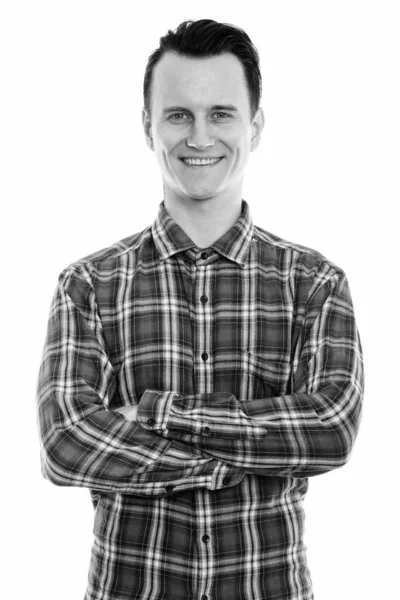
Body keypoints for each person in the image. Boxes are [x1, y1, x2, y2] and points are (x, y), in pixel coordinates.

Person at [36, 18, 364, 600]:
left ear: (255, 126)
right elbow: (66, 443)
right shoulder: (88, 284)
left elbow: (331, 431)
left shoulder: (314, 283)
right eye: (179, 115)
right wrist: (235, 461)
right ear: (148, 127)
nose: (200, 137)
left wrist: (157, 414)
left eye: (221, 114)